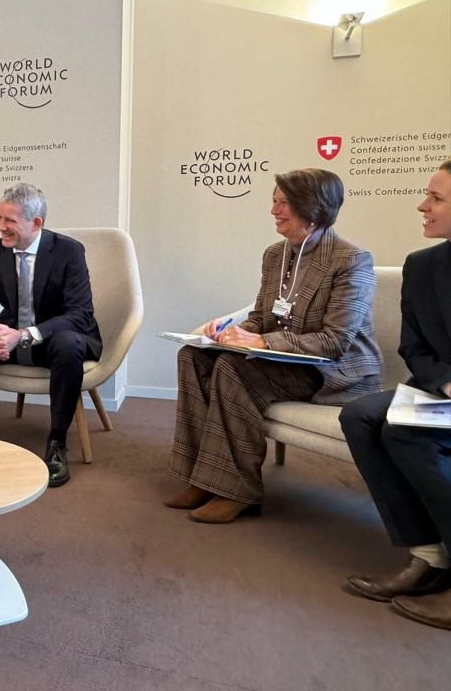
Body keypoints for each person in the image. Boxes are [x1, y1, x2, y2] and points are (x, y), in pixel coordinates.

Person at [167, 168, 382, 523]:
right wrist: (230, 334)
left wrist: (262, 340)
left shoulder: (351, 260)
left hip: (331, 371)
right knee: (193, 357)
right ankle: (201, 478)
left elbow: (336, 341)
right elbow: (262, 316)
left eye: (283, 203)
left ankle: (237, 491)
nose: (274, 211)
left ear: (313, 208)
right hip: (282, 360)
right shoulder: (274, 255)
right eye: (274, 201)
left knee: (233, 369)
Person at [339, 159, 451, 629]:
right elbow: (413, 347)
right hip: (440, 389)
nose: (422, 206)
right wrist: (446, 383)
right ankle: (429, 554)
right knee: (360, 416)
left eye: (436, 198)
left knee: (404, 432)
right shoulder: (422, 266)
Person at [0, 182, 101, 487]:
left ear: (36, 223)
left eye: (10, 220)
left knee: (68, 344)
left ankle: (57, 442)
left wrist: (25, 335)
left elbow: (80, 313)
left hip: (53, 340)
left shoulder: (69, 251)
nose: (1, 226)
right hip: (11, 338)